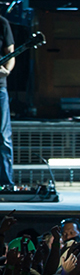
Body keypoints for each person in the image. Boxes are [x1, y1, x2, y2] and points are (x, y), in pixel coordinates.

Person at [0, 15, 14, 186]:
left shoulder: (2, 23)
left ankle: (6, 184)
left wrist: (6, 70)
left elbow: (11, 53)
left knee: (3, 137)